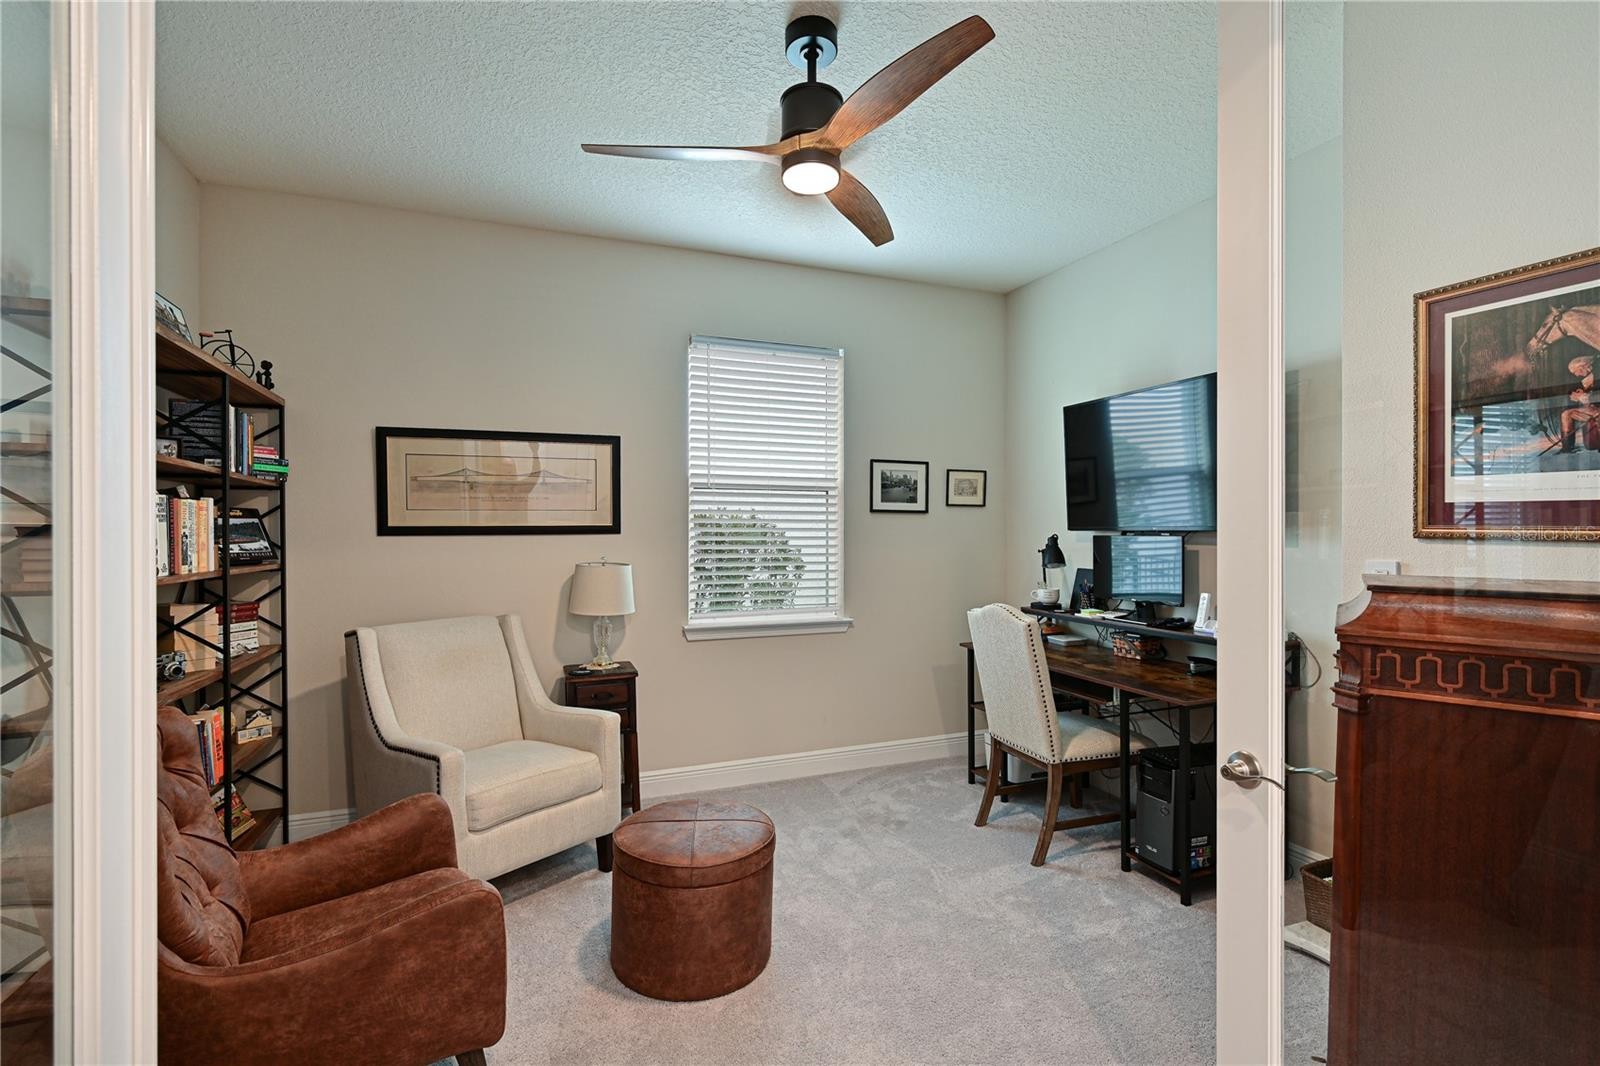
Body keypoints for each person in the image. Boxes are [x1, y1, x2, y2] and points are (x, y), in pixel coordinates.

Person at [1559, 354, 1598, 453]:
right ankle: (1567, 448)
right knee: (1566, 414)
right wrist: (1576, 395)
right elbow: (1577, 393)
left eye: (1576, 371)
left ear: (1583, 367)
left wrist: (1587, 397)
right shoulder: (1585, 380)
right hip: (1592, 410)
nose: (1576, 375)